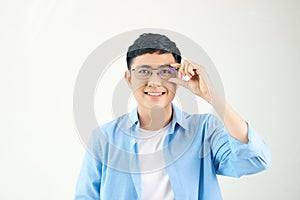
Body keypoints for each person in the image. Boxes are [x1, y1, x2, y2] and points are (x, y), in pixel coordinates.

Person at [74, 33, 271, 200]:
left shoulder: (204, 131)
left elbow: (255, 160)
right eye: (144, 71)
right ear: (128, 78)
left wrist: (211, 95)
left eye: (165, 72)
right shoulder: (104, 137)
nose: (154, 82)